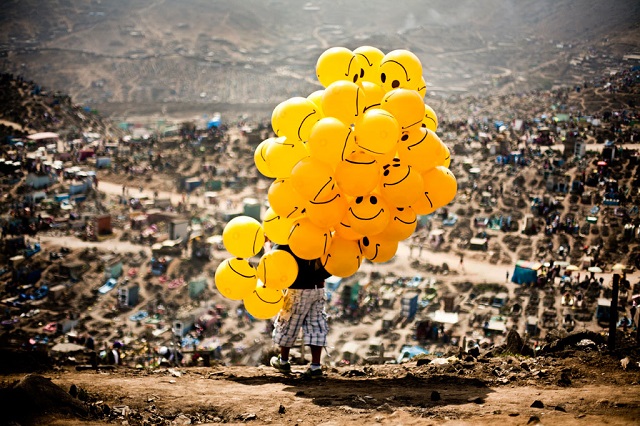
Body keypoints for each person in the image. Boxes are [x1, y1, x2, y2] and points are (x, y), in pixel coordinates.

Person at [270, 244, 331, 378]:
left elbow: (273, 258)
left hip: (297, 289)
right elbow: (332, 263)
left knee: (288, 323)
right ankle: (315, 366)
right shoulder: (322, 237)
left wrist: (268, 246)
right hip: (318, 289)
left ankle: (284, 362)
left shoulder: (292, 239)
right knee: (316, 325)